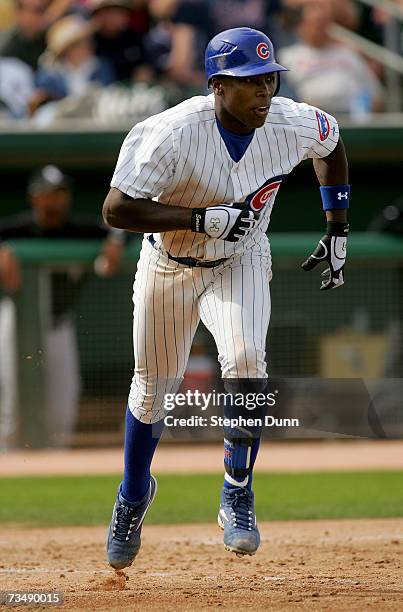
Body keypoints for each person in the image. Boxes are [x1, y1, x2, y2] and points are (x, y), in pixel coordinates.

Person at [102, 26, 349, 567]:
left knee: (245, 361)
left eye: (269, 79)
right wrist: (196, 218)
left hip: (240, 260)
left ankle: (237, 490)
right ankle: (133, 495)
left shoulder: (290, 121)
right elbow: (116, 209)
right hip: (169, 263)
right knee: (151, 392)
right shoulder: (169, 132)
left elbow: (331, 146)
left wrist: (338, 228)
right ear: (217, 85)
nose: (263, 92)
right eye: (248, 83)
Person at [0, 165, 125, 448]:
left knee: (63, 401)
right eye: (49, 194)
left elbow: (120, 230)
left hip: (59, 324)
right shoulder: (17, 228)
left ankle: (56, 462)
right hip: (16, 324)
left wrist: (115, 241)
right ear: (35, 197)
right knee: (11, 404)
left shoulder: (80, 229)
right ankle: (9, 466)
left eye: (61, 194)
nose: (55, 201)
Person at [278, 0, 384, 117]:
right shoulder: (287, 56)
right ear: (301, 26)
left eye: (323, 24)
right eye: (314, 24)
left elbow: (376, 94)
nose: (319, 29)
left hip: (351, 116)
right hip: (309, 118)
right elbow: (283, 95)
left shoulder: (348, 53)